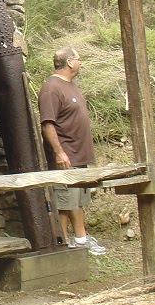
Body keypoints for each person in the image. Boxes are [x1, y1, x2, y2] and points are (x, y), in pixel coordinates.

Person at [38, 45, 106, 256]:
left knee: (77, 201)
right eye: (78, 58)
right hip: (65, 157)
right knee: (64, 202)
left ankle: (81, 239)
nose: (80, 62)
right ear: (69, 62)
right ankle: (62, 244)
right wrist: (59, 153)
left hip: (78, 156)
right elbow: (47, 124)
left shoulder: (71, 86)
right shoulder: (51, 88)